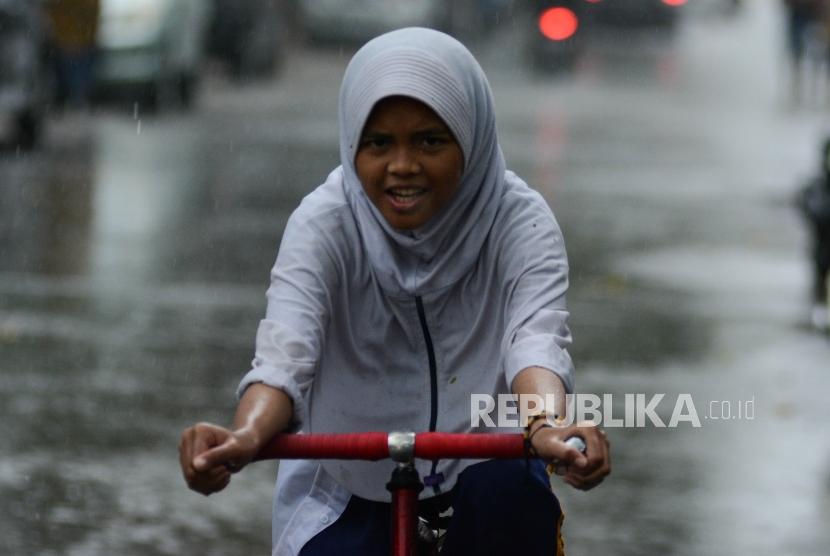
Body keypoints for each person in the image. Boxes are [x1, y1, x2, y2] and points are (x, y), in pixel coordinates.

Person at [179, 27, 611, 555]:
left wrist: (548, 426)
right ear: (351, 144)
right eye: (379, 143)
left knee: (509, 494)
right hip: (343, 486)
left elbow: (536, 341)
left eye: (429, 141)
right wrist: (244, 437)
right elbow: (284, 359)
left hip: (486, 480)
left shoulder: (520, 222)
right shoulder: (325, 224)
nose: (402, 167)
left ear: (470, 142)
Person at [797, 137, 830, 330]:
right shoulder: (816, 186)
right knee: (819, 279)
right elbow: (808, 206)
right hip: (822, 246)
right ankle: (819, 312)